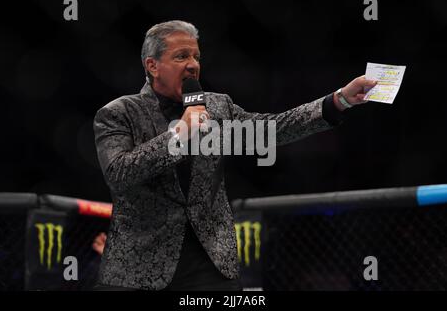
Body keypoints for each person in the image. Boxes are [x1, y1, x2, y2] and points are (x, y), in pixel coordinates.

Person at [93, 20, 377, 291]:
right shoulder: (119, 113)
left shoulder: (216, 107)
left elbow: (272, 129)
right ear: (152, 65)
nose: (193, 65)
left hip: (209, 263)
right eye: (181, 57)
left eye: (196, 56)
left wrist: (338, 100)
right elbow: (119, 174)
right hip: (138, 266)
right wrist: (179, 134)